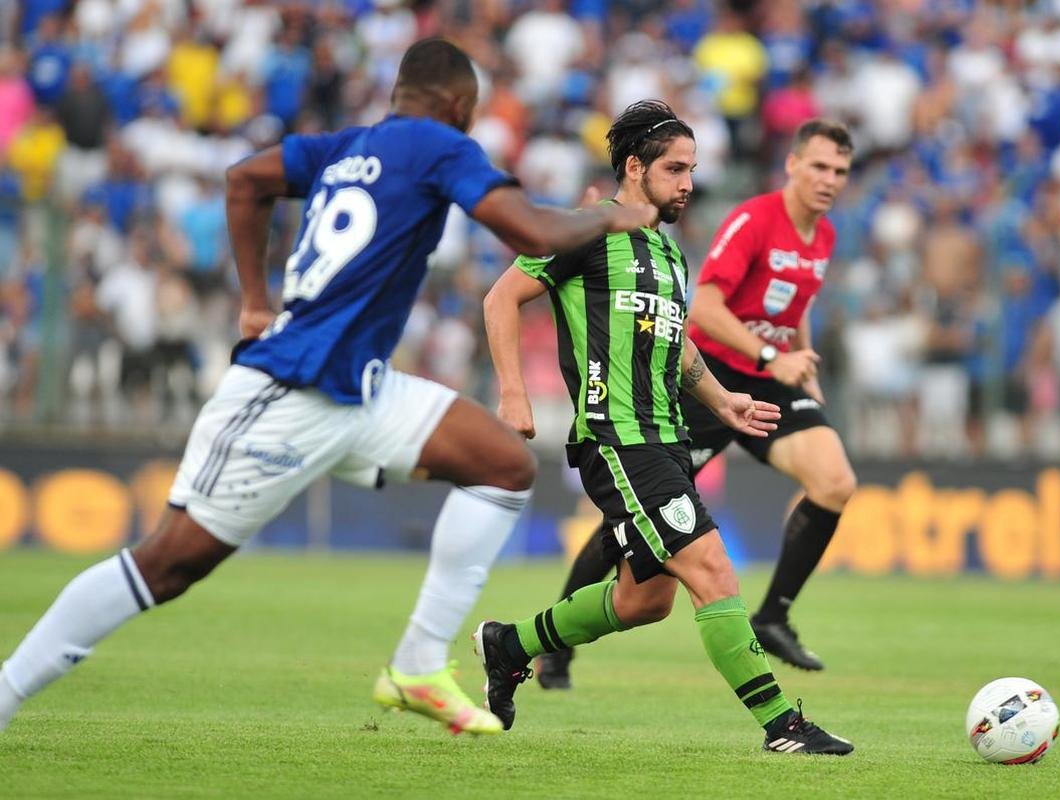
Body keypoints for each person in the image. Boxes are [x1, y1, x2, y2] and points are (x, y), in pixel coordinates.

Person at [0, 39, 658, 737]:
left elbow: (245, 179)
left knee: (502, 465)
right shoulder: (439, 144)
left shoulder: (344, 146)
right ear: (458, 104)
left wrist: (255, 302)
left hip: (359, 388)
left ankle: (416, 666)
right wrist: (607, 214)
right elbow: (532, 230)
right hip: (290, 388)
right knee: (165, 565)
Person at [475, 101, 853, 755]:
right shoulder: (585, 230)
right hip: (617, 437)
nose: (687, 183)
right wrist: (513, 391)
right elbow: (501, 296)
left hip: (667, 437)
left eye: (692, 170)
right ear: (634, 167)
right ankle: (782, 726)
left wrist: (725, 401)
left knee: (644, 602)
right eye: (675, 169)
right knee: (712, 568)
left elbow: (677, 345)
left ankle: (511, 645)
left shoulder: (668, 252)